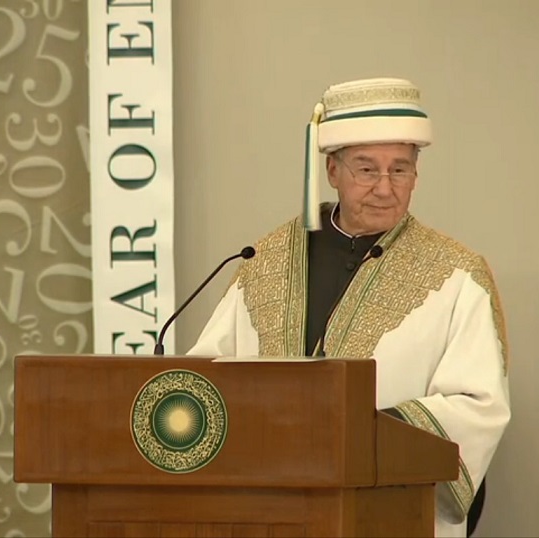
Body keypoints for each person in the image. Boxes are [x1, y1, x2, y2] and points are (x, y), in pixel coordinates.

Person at [187, 77, 511, 538]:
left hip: (391, 513)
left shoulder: (458, 275)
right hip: (269, 511)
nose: (385, 187)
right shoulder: (266, 260)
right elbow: (209, 379)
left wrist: (368, 435)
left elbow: (478, 406)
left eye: (400, 169)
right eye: (366, 169)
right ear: (333, 171)